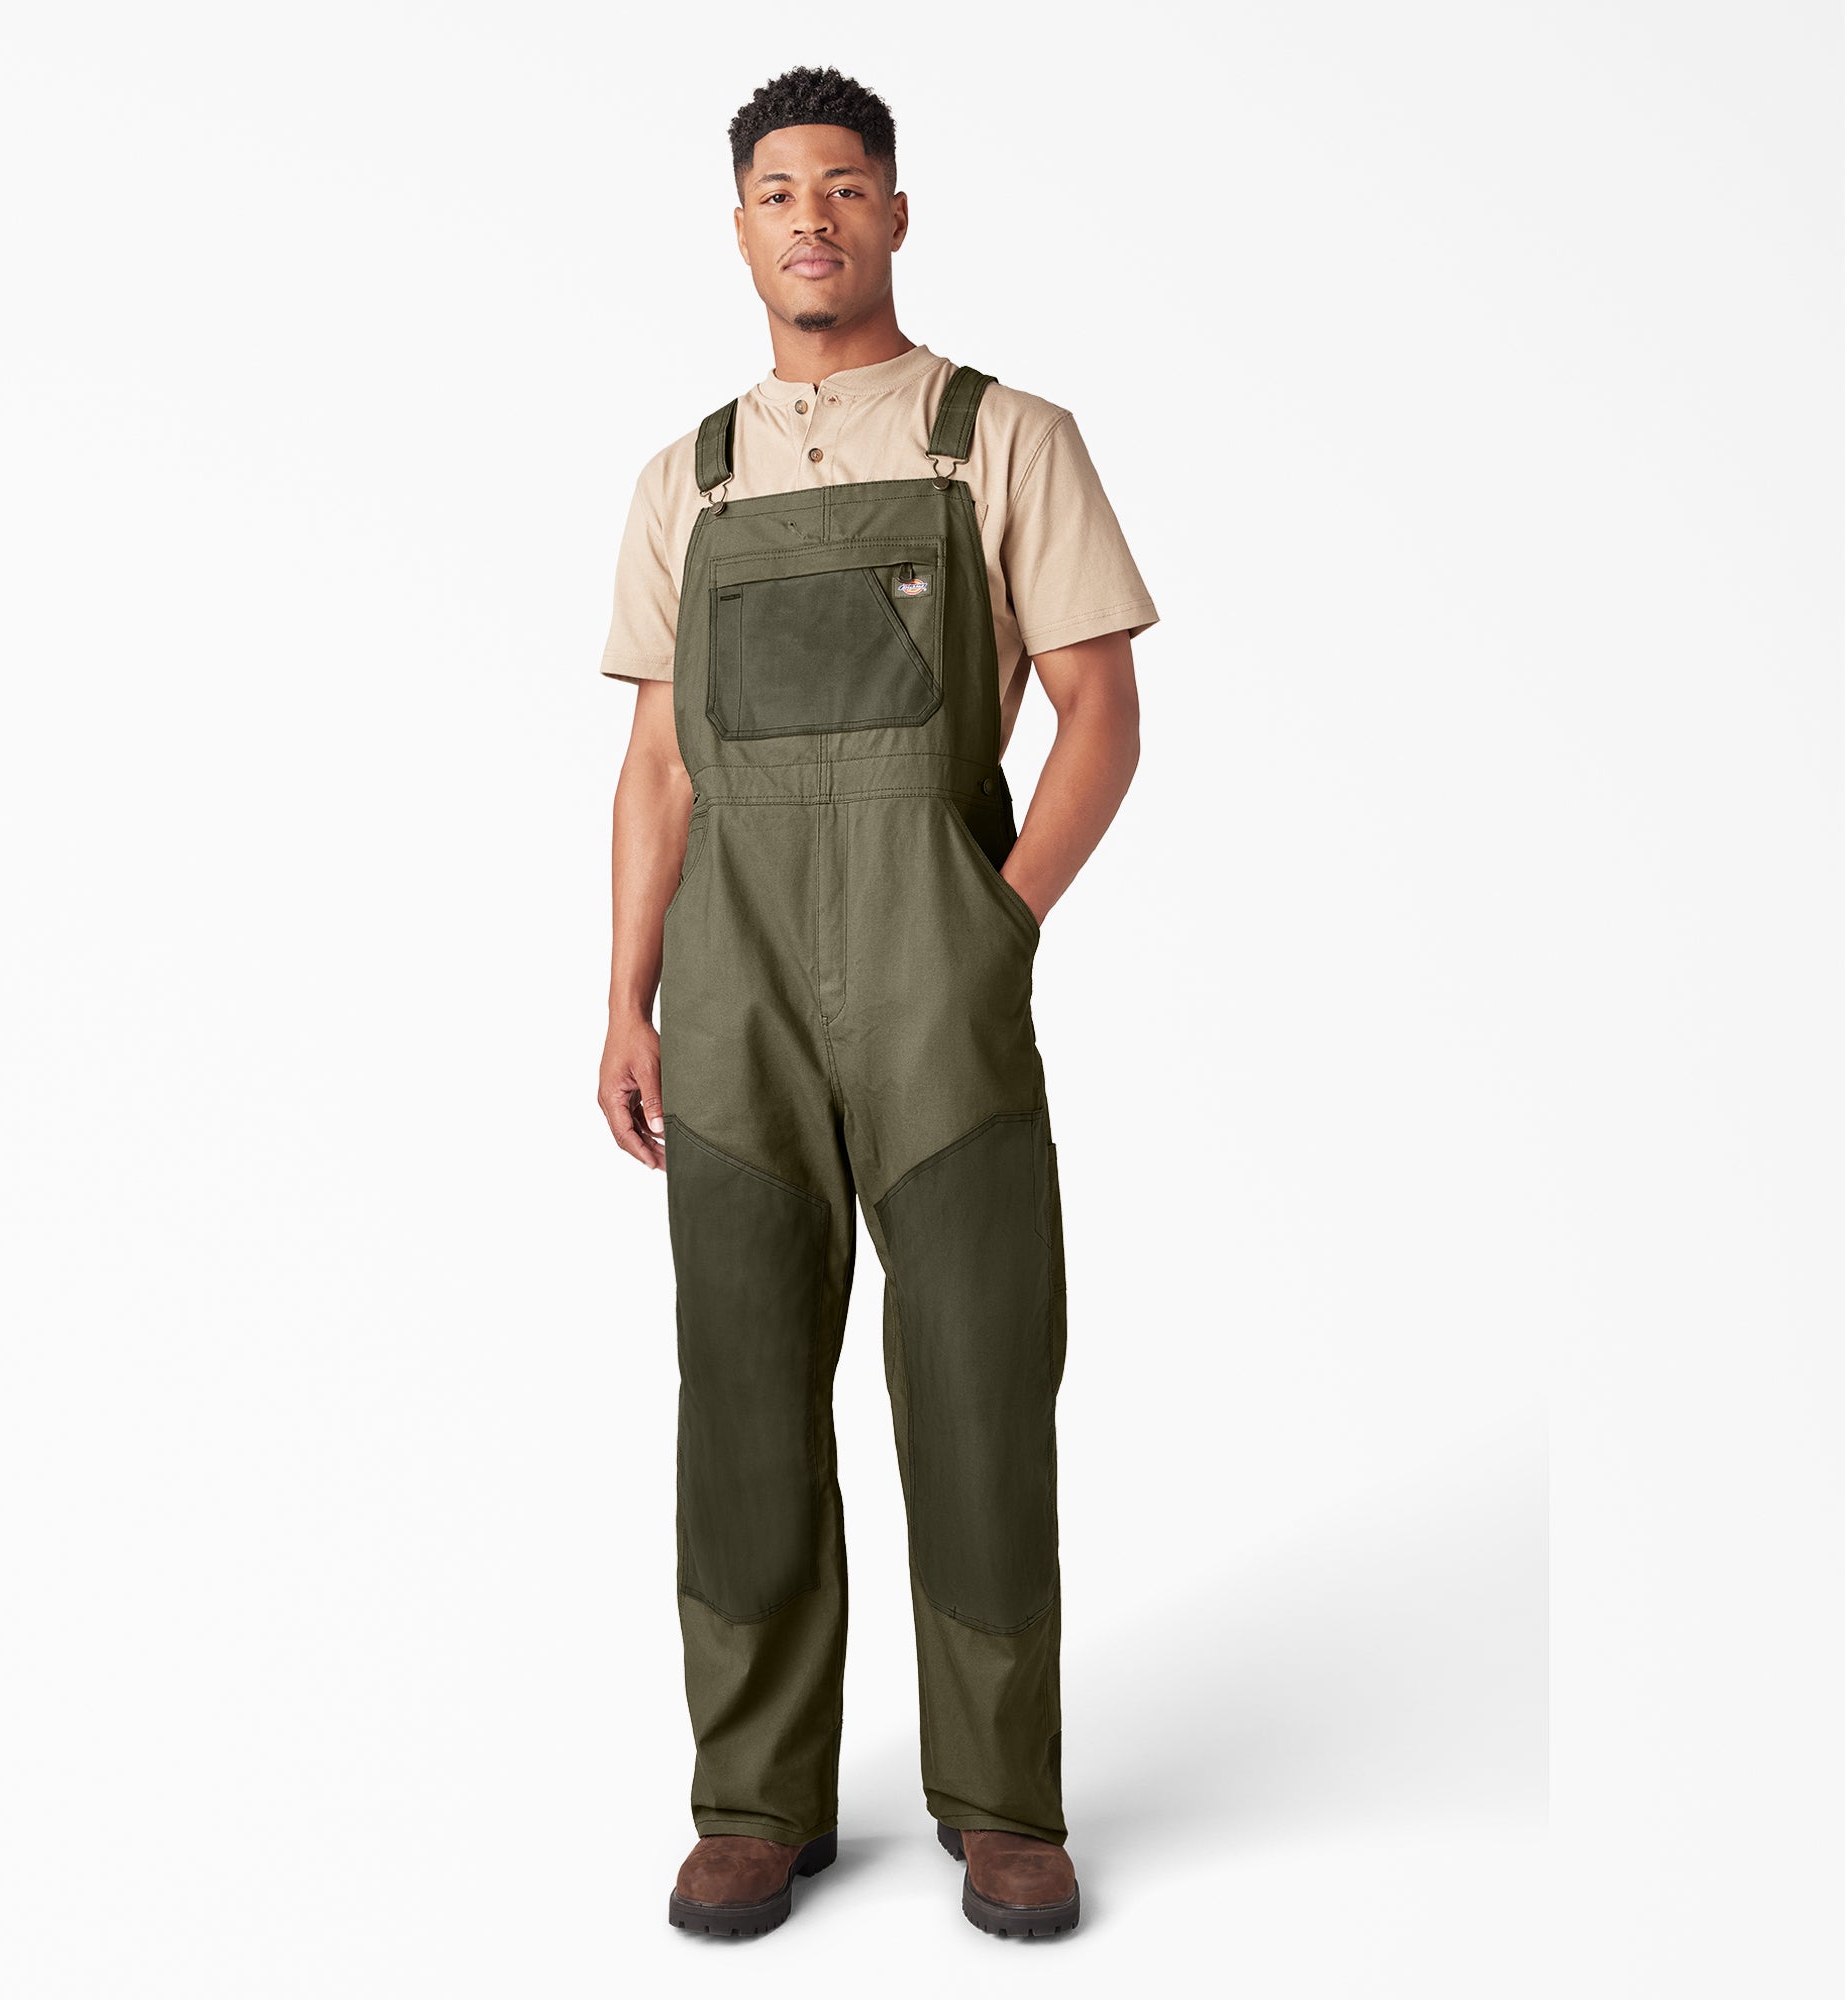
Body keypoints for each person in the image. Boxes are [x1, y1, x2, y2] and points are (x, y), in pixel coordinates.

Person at [595, 64, 1157, 1940]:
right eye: (778, 192)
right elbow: (657, 765)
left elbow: (1102, 711)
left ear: (896, 213)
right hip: (732, 987)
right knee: (742, 1396)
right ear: (740, 227)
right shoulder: (690, 479)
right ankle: (756, 1802)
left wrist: (998, 922)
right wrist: (627, 1000)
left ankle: (1003, 1805)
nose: (811, 218)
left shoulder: (1006, 438)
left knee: (980, 1382)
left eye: (843, 186)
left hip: (939, 976)